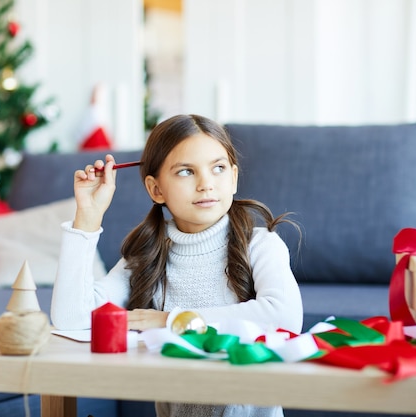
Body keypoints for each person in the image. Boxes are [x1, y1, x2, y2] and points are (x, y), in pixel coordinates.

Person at [51, 114, 303, 417]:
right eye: (186, 172)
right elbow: (72, 318)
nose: (206, 184)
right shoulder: (146, 257)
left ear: (234, 178)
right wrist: (88, 217)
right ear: (156, 189)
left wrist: (170, 320)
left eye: (218, 168)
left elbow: (285, 317)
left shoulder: (261, 245)